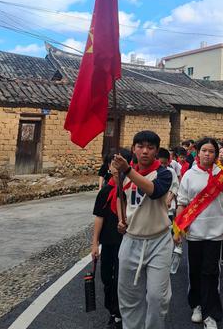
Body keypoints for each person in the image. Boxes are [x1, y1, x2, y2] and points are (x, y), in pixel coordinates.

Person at [112, 131, 174, 329]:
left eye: (150, 147)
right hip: (131, 240)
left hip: (159, 241)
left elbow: (154, 191)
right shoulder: (123, 174)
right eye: (140, 146)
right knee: (129, 296)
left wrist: (128, 170)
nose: (145, 151)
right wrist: (121, 220)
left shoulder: (165, 173)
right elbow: (120, 197)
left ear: (156, 151)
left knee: (157, 297)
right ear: (133, 149)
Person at [175, 138, 223, 329]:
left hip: (215, 231)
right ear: (197, 152)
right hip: (194, 231)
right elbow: (182, 203)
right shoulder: (189, 175)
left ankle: (211, 314)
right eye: (204, 150)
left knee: (211, 273)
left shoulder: (222, 175)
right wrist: (178, 229)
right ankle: (197, 305)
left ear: (216, 154)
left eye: (211, 151)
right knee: (195, 271)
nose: (207, 154)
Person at [92, 149, 132, 329]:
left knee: (121, 280)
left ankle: (118, 313)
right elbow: (99, 217)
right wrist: (94, 244)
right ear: (109, 167)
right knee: (107, 278)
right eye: (112, 165)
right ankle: (112, 308)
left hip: (126, 242)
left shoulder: (131, 191)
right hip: (108, 242)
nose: (115, 169)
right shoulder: (105, 191)